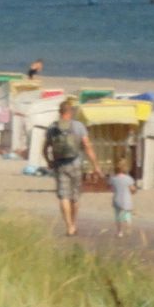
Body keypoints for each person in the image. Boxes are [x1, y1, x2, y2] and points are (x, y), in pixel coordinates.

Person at [46, 96, 99, 238]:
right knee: (75, 197)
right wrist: (95, 165)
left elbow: (45, 147)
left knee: (64, 196)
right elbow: (87, 146)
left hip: (59, 164)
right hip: (75, 163)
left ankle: (69, 226)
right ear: (70, 112)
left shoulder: (52, 127)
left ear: (60, 112)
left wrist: (48, 161)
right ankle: (74, 223)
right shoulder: (78, 126)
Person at [109, 159, 135, 238]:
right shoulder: (128, 179)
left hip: (117, 199)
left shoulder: (113, 179)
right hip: (126, 200)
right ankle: (128, 228)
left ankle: (119, 232)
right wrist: (133, 191)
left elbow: (111, 188)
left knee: (118, 216)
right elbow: (132, 189)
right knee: (127, 215)